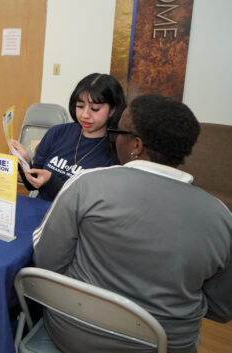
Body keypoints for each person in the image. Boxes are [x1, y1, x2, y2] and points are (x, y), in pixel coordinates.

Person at [33, 94, 232, 353]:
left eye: (117, 132)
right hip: (165, 345)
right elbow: (220, 309)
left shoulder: (87, 184)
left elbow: (46, 261)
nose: (114, 139)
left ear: (136, 144)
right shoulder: (221, 217)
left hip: (74, 334)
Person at [9, 73, 125, 201]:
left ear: (113, 110)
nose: (85, 115)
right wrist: (24, 162)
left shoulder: (118, 151)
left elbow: (92, 204)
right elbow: (33, 185)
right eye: (80, 106)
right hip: (42, 212)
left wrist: (51, 182)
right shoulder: (58, 133)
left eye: (95, 108)